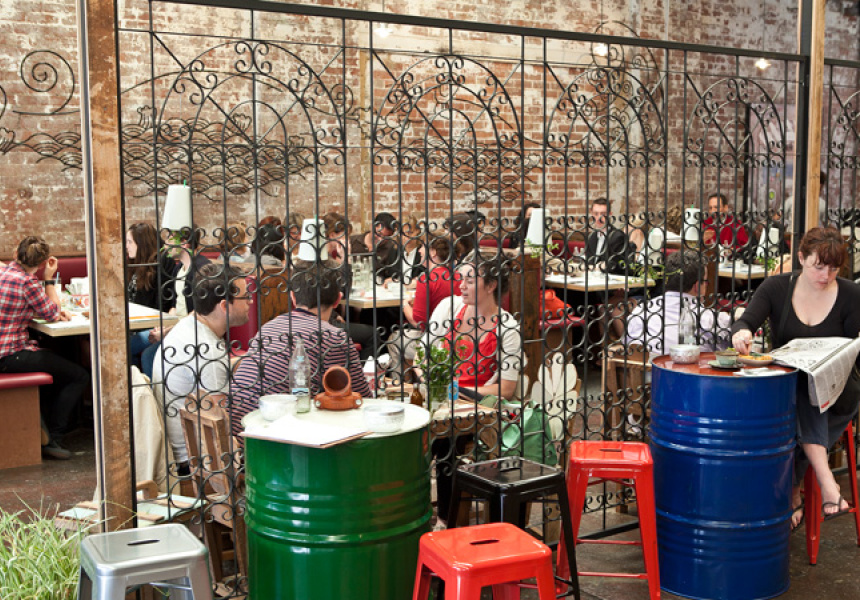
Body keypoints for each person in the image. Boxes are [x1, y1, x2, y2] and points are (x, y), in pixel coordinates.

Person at [731, 227, 860, 530]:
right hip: (792, 389)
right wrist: (742, 333)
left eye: (834, 268)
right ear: (801, 258)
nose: (826, 275)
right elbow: (745, 321)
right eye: (819, 266)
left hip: (838, 393)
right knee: (800, 384)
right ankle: (814, 484)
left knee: (804, 387)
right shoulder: (777, 288)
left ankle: (806, 486)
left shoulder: (851, 294)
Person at [230, 259, 371, 438]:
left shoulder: (268, 327)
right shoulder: (334, 337)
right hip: (271, 441)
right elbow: (363, 400)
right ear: (338, 300)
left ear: (293, 297)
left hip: (237, 433)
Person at [153, 262, 251, 470]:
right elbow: (220, 426)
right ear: (224, 306)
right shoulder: (209, 351)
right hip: (196, 461)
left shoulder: (187, 326)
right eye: (246, 297)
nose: (251, 301)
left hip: (176, 446)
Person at [0, 236, 89, 459]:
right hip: (10, 355)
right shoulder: (28, 283)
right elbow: (52, 312)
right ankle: (54, 437)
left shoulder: (3, 272)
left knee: (53, 361)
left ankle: (45, 428)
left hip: (7, 352)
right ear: (41, 264)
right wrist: (48, 279)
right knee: (79, 375)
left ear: (15, 254)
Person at [626, 252, 730, 353]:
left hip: (648, 364)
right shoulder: (713, 320)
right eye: (706, 282)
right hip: (690, 364)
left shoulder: (640, 311)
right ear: (698, 286)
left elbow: (628, 348)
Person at [126, 223, 179, 378]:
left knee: (121, 346)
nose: (126, 246)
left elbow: (164, 303)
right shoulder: (135, 264)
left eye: (129, 242)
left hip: (153, 326)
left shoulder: (162, 263)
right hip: (136, 325)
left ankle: (140, 389)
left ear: (142, 243)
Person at [403, 236, 458, 331]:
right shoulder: (459, 276)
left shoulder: (426, 279)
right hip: (455, 334)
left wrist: (405, 305)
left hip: (434, 336)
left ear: (433, 252)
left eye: (422, 246)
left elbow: (419, 323)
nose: (419, 251)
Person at [584, 198, 634, 275]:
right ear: (592, 214)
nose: (599, 218)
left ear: (610, 214)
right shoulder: (591, 237)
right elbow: (589, 262)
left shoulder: (617, 237)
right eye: (596, 214)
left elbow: (617, 265)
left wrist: (601, 266)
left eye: (603, 214)